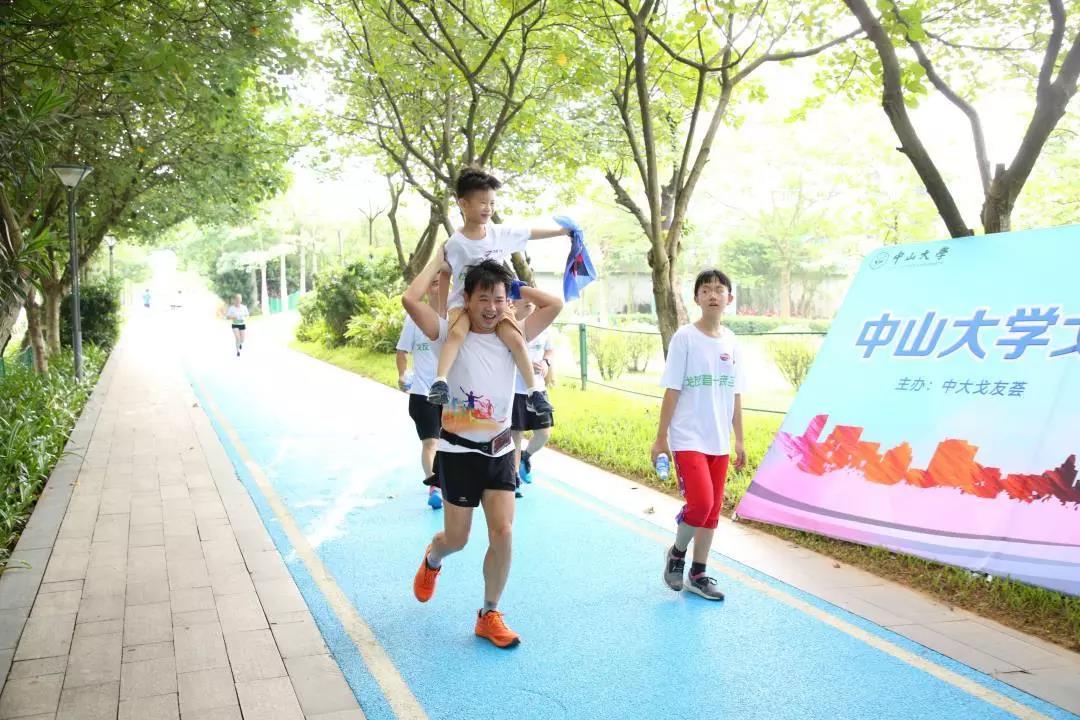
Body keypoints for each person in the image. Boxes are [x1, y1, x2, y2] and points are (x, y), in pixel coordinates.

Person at [404, 253, 563, 649]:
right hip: (458, 453)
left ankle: (489, 613)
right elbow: (410, 300)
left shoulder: (513, 333)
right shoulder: (447, 332)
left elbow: (554, 304)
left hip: (500, 451)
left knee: (503, 532)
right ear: (467, 298)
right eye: (483, 299)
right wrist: (439, 262)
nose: (491, 308)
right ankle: (433, 557)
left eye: (498, 299)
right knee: (457, 539)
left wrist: (513, 285)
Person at [426, 167, 571, 419]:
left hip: (496, 303)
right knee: (457, 334)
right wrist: (441, 309)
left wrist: (560, 232)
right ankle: (440, 381)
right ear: (463, 203)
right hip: (463, 303)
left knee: (515, 338)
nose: (488, 208)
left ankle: (534, 391)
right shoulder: (454, 244)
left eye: (492, 203)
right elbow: (445, 272)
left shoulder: (499, 234)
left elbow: (530, 232)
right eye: (482, 202)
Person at [652, 269, 747, 601]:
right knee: (701, 504)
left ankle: (698, 574)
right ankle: (677, 554)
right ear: (696, 298)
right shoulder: (685, 338)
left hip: (719, 440)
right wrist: (660, 438)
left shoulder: (732, 341)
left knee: (712, 511)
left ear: (729, 298)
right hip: (688, 437)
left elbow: (735, 393)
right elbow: (672, 389)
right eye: (705, 290)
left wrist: (739, 439)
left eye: (719, 290)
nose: (712, 295)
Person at [396, 274, 444, 510]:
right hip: (422, 393)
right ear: (425, 289)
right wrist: (402, 375)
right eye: (432, 283)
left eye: (441, 282)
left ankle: (450, 481)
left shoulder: (455, 316)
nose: (437, 286)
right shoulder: (414, 318)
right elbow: (402, 351)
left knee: (449, 445)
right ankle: (434, 486)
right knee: (431, 442)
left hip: (452, 394)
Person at [510, 296, 555, 498]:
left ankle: (525, 457)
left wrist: (546, 363)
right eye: (523, 298)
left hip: (538, 390)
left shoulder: (544, 326)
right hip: (515, 390)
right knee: (516, 436)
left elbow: (550, 350)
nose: (528, 302)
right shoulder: (509, 326)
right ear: (513, 303)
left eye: (531, 298)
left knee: (544, 433)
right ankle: (514, 479)